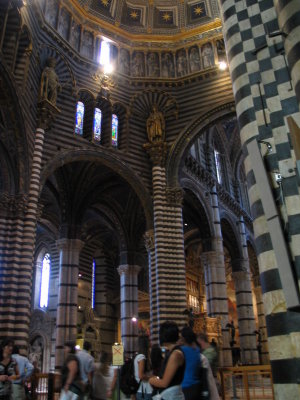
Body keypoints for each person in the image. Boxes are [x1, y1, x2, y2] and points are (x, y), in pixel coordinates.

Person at [149, 321, 185, 400]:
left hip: (171, 396)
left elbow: (164, 383)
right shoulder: (172, 352)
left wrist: (151, 380)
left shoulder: (176, 354)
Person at [180, 327, 219, 400]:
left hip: (196, 387)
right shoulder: (198, 353)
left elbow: (205, 375)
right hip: (196, 387)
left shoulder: (204, 354)